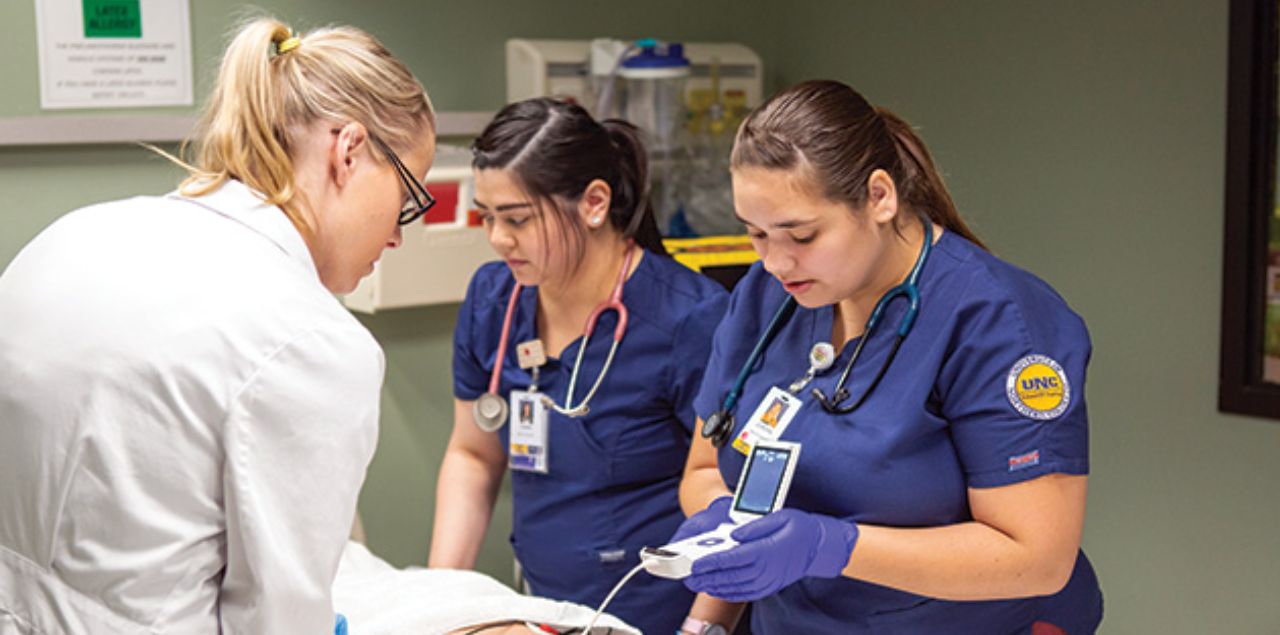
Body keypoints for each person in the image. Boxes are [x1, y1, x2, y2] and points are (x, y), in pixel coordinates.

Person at [0, 17, 435, 634]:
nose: (396, 234)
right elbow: (277, 623)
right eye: (409, 198)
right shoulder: (310, 340)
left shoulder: (74, 235)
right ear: (349, 151)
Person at [674, 80, 1104, 634]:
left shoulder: (999, 322)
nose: (776, 261)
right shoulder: (766, 297)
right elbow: (707, 470)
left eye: (800, 234)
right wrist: (719, 564)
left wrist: (828, 546)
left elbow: (1036, 558)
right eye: (755, 234)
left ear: (879, 196)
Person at [430, 98, 728, 635]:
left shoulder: (691, 319)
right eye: (487, 216)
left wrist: (703, 629)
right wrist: (440, 600)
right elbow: (473, 456)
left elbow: (727, 498)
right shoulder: (492, 301)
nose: (498, 239)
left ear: (593, 203)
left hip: (659, 616)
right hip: (544, 611)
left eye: (517, 218)